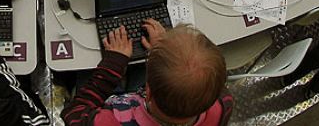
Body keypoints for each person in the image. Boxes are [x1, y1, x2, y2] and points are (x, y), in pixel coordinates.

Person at [62, 23, 233, 126]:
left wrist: (113, 64)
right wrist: (163, 50)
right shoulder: (222, 105)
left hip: (123, 106)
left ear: (148, 91)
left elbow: (73, 114)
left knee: (81, 71)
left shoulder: (111, 122)